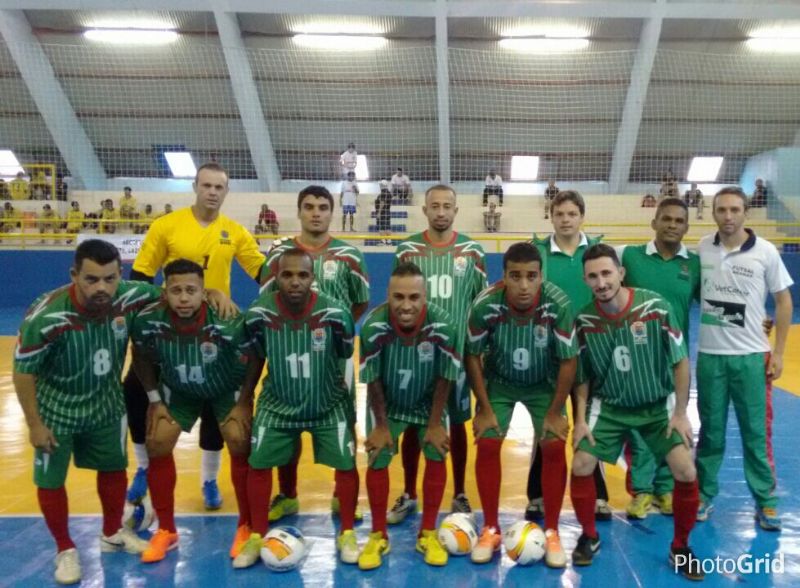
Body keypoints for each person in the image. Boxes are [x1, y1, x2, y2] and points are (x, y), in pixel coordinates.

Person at [13, 240, 162, 584]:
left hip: (107, 405)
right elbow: (23, 372)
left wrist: (216, 295)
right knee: (51, 480)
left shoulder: (129, 295)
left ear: (119, 274)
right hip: (56, 409)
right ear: (74, 275)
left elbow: (176, 293)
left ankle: (112, 533)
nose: (102, 288)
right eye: (91, 279)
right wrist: (34, 424)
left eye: (109, 279)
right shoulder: (48, 315)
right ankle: (65, 549)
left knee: (113, 469)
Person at [127, 161, 265, 510]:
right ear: (195, 187)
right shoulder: (166, 226)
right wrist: (159, 298)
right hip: (171, 327)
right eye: (207, 185)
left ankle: (209, 479)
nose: (212, 192)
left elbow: (261, 271)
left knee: (213, 406)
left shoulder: (233, 231)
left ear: (226, 191)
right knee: (135, 390)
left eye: (219, 187)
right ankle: (143, 466)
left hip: (215, 329)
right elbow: (140, 275)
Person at [570, 244, 703, 580]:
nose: (601, 282)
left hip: (658, 406)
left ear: (621, 273)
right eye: (593, 276)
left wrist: (681, 412)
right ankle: (589, 535)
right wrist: (582, 420)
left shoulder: (655, 307)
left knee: (685, 470)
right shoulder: (584, 320)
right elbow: (582, 376)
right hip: (611, 407)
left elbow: (681, 361)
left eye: (606, 273)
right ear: (585, 280)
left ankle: (681, 547)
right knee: (582, 464)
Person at [234, 249, 359, 567]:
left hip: (327, 403)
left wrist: (347, 402)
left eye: (302, 275)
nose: (294, 282)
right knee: (258, 464)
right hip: (277, 404)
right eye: (287, 275)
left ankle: (346, 532)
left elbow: (343, 355)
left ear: (313, 278)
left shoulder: (335, 314)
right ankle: (257, 536)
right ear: (276, 278)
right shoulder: (259, 314)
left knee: (346, 464)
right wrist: (244, 401)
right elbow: (254, 358)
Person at [130, 259, 253, 563]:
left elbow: (253, 356)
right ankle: (166, 531)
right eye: (176, 290)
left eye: (190, 290)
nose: (183, 298)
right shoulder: (148, 320)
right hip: (180, 387)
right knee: (157, 442)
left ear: (203, 292)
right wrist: (155, 400)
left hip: (224, 386)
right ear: (164, 292)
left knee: (240, 439)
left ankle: (246, 525)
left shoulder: (226, 318)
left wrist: (243, 403)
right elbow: (141, 354)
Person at [261, 185, 370, 523]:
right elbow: (265, 299)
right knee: (285, 423)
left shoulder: (350, 255)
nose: (316, 213)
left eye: (323, 207)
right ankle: (288, 494)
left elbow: (361, 301)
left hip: (333, 357)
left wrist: (338, 330)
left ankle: (342, 493)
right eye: (309, 206)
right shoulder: (278, 254)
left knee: (343, 421)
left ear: (332, 212)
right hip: (288, 352)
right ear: (299, 211)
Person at [466, 243, 577, 568]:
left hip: (544, 382)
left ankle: (553, 531)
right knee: (487, 442)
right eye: (516, 276)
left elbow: (569, 362)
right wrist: (484, 408)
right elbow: (472, 356)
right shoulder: (486, 304)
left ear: (541, 276)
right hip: (500, 382)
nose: (524, 285)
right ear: (504, 277)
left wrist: (555, 412)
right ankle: (490, 527)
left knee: (554, 446)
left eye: (531, 276)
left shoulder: (557, 304)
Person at [695, 187, 793, 530]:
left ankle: (765, 501)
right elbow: (702, 296)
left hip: (752, 357)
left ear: (746, 212)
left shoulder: (765, 252)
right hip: (711, 358)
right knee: (710, 433)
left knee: (756, 432)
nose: (728, 216)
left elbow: (783, 302)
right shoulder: (703, 248)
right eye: (721, 209)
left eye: (735, 209)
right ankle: (703, 496)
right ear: (713, 212)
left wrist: (778, 351)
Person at [391, 184, 487, 521]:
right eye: (435, 205)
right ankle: (408, 492)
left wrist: (477, 350)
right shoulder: (407, 250)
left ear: (456, 211)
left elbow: (479, 307)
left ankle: (459, 492)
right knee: (414, 422)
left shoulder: (473, 252)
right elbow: (397, 299)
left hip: (457, 358)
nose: (441, 211)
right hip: (413, 358)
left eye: (448, 206)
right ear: (425, 210)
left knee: (458, 425)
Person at [357, 262, 459, 570]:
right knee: (377, 454)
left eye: (414, 297)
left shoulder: (443, 326)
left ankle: (427, 532)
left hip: (428, 400)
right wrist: (381, 426)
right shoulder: (374, 327)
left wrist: (435, 423)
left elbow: (446, 376)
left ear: (425, 297)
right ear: (387, 295)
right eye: (398, 297)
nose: (406, 305)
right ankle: (378, 534)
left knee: (437, 450)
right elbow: (372, 379)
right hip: (387, 402)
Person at [527, 190, 610, 521]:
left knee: (590, 422)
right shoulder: (539, 253)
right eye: (559, 213)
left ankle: (598, 495)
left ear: (582, 216)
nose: (565, 219)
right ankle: (538, 494)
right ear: (551, 217)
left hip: (591, 348)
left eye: (571, 214)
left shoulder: (598, 252)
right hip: (550, 351)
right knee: (546, 423)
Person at [617, 198, 700, 520]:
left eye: (679, 221)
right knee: (638, 429)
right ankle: (641, 491)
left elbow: (716, 301)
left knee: (672, 423)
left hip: (674, 359)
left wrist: (752, 320)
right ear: (654, 222)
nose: (672, 225)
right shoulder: (630, 256)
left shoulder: (693, 265)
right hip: (635, 358)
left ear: (686, 227)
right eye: (666, 219)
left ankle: (665, 488)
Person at [375, 180, 392, 245]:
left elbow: (382, 203)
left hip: (382, 213)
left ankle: (383, 241)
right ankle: (389, 241)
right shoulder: (389, 193)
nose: (379, 186)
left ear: (382, 185)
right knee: (387, 226)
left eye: (380, 185)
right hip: (387, 212)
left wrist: (379, 212)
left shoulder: (383, 193)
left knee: (381, 227)